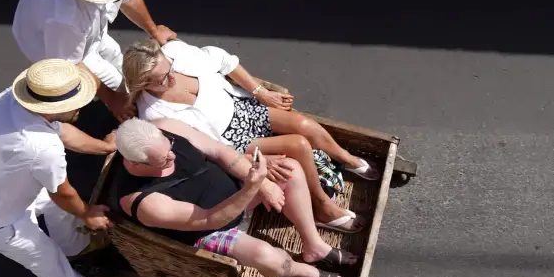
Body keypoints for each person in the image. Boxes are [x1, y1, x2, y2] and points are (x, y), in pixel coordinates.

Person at [121, 38, 376, 233]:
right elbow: (206, 149)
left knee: (303, 124)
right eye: (161, 80)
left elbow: (223, 60)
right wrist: (247, 158)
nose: (171, 79)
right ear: (142, 84)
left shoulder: (177, 53)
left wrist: (259, 91)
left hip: (241, 106)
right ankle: (323, 206)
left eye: (169, 70)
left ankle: (348, 158)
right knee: (298, 144)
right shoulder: (155, 115)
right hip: (231, 140)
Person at [111, 116, 357, 277]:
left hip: (233, 191)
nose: (173, 157)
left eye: (170, 147)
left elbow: (219, 151)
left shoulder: (165, 127)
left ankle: (314, 246)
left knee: (289, 170)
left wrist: (262, 185)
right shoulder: (144, 202)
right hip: (210, 228)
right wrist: (252, 186)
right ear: (136, 164)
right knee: (267, 257)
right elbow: (210, 219)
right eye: (163, 160)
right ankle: (304, 272)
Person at [0, 58, 122, 277]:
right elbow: (62, 193)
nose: (80, 110)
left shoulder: (11, 99)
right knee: (44, 258)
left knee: (60, 209)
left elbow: (61, 130)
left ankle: (74, 246)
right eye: (76, 105)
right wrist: (88, 213)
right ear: (52, 109)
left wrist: (104, 147)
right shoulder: (41, 147)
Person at [12, 0, 177, 121]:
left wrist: (154, 31)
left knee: (116, 57)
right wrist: (112, 98)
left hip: (87, 33)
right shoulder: (64, 18)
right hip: (54, 47)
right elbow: (72, 64)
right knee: (117, 86)